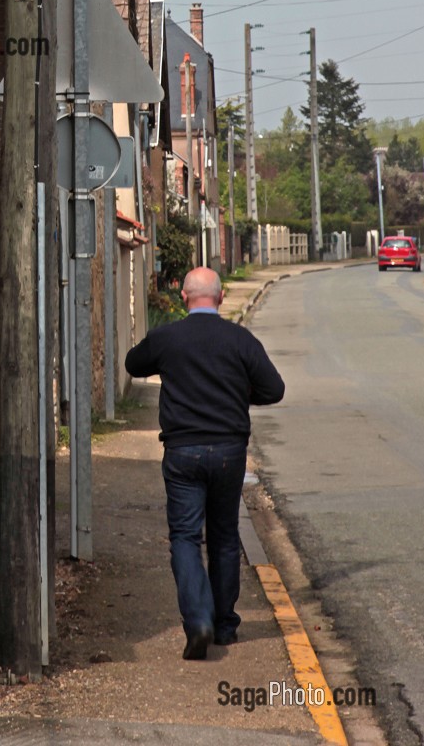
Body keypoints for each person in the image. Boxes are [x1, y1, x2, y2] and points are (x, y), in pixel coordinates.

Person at [125, 266, 285, 661]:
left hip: (182, 452)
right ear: (220, 298)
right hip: (229, 453)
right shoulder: (240, 340)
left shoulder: (168, 338)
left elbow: (133, 364)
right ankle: (225, 625)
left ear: (183, 297)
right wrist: (235, 396)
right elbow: (273, 388)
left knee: (184, 537)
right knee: (226, 536)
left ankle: (198, 620)